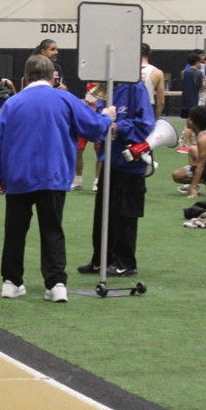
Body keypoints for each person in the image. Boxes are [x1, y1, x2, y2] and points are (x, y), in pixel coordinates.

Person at [0, 55, 114, 303]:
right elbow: (94, 128)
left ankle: (11, 282)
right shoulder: (65, 99)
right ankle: (56, 284)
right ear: (53, 77)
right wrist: (107, 116)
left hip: (18, 176)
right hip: (53, 176)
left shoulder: (13, 103)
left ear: (25, 78)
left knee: (15, 232)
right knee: (52, 230)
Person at [77, 79, 154, 279]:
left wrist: (117, 127)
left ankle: (125, 263)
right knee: (102, 213)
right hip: (110, 160)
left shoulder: (135, 87)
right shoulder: (107, 87)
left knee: (125, 214)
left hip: (130, 162)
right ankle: (101, 260)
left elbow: (146, 124)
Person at [171, 106, 206, 199]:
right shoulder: (203, 133)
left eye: (189, 118)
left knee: (177, 176)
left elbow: (200, 165)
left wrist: (192, 189)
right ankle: (197, 183)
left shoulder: (204, 138)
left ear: (192, 122)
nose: (187, 120)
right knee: (192, 149)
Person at [140, 43, 165, 119]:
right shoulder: (157, 72)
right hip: (148, 107)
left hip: (131, 107)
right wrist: (155, 118)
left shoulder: (127, 72)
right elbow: (161, 102)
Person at [180, 53, 204, 119]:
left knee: (187, 119)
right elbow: (200, 86)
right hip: (194, 100)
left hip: (184, 100)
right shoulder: (199, 73)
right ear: (197, 62)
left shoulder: (183, 72)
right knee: (194, 119)